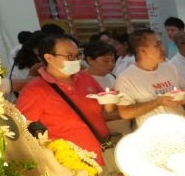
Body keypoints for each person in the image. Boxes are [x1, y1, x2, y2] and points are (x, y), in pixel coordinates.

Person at [16, 34, 113, 165]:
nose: (75, 60)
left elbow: (104, 110)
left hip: (103, 156)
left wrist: (111, 100)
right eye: (69, 56)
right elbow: (23, 132)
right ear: (49, 57)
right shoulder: (35, 91)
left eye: (77, 55)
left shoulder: (85, 78)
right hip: (72, 167)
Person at [114, 29, 185, 127]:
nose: (163, 48)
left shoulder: (169, 67)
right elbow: (125, 113)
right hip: (153, 135)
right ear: (142, 50)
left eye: (161, 44)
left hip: (181, 127)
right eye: (157, 45)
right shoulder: (126, 77)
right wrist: (157, 102)